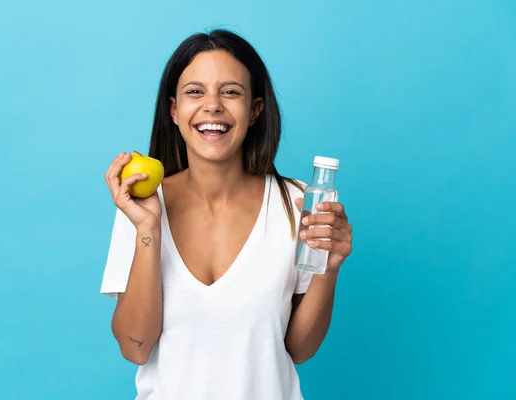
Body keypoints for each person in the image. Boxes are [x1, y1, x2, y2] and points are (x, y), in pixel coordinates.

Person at [100, 29, 353, 400]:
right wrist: (147, 230)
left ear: (255, 110)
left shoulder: (299, 204)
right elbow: (135, 346)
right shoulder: (142, 208)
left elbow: (300, 349)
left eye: (231, 91)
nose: (213, 106)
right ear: (173, 109)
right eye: (195, 92)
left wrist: (328, 269)